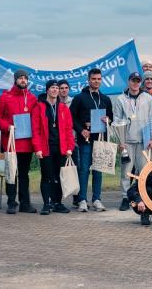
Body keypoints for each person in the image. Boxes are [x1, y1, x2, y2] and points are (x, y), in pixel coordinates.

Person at [70, 68, 114, 212]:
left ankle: (97, 199)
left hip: (101, 140)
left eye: (99, 79)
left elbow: (111, 118)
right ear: (88, 80)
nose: (96, 81)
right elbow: (71, 118)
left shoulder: (106, 99)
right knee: (83, 170)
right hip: (86, 141)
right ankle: (82, 199)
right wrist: (81, 130)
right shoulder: (79, 98)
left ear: (101, 80)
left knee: (98, 170)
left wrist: (108, 120)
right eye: (94, 79)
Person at [113, 72, 152, 211]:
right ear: (128, 81)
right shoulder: (120, 99)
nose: (136, 83)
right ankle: (126, 197)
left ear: (141, 82)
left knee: (143, 171)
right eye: (133, 80)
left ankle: (141, 196)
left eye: (138, 81)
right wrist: (120, 141)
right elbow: (116, 120)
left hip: (144, 140)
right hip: (127, 141)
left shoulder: (147, 98)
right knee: (126, 171)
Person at [0, 68, 38, 214]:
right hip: (11, 142)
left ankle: (25, 203)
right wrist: (7, 127)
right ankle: (11, 202)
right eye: (20, 78)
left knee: (24, 174)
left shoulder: (33, 98)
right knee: (11, 173)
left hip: (26, 143)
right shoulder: (5, 97)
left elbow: (36, 119)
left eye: (25, 78)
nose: (23, 80)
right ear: (15, 80)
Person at [31, 80, 75, 215]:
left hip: (61, 148)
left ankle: (58, 203)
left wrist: (70, 147)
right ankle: (46, 203)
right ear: (47, 90)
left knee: (58, 177)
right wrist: (37, 148)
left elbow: (69, 129)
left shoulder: (63, 108)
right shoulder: (39, 107)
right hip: (46, 148)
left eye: (56, 87)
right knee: (46, 176)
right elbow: (36, 130)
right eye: (52, 88)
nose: (55, 90)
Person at [58, 79, 80, 207]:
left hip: (72, 142)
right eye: (61, 88)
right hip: (59, 143)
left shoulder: (73, 102)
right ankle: (58, 199)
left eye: (66, 88)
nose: (64, 90)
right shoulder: (54, 103)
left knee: (74, 170)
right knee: (60, 171)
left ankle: (76, 198)